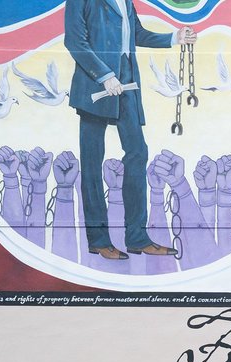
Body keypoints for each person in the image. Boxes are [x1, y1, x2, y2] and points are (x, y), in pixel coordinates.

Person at [65, 0, 195, 260]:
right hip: (95, 85)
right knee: (91, 162)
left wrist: (174, 37)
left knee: (137, 152)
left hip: (127, 81)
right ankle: (99, 240)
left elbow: (135, 33)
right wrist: (104, 75)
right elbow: (75, 42)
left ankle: (137, 238)